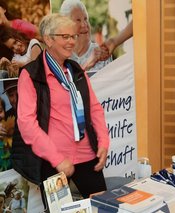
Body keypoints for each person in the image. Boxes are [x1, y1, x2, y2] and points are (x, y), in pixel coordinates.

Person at [11, 13, 110, 208]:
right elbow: (26, 123)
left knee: (103, 208)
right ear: (48, 39)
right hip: (53, 162)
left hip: (89, 156)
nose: (72, 42)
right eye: (65, 37)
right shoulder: (31, 74)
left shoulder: (76, 70)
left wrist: (104, 142)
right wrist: (57, 160)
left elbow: (95, 108)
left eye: (73, 36)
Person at [59, 0, 112, 72]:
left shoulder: (102, 54)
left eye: (85, 19)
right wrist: (89, 63)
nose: (84, 25)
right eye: (78, 20)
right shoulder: (61, 57)